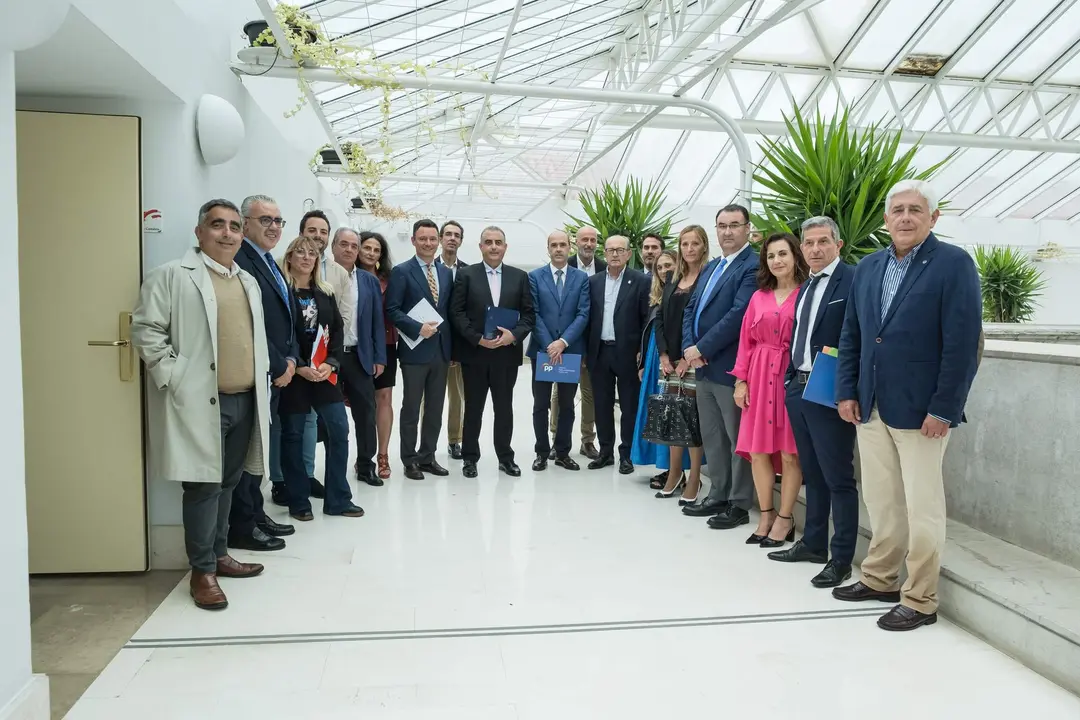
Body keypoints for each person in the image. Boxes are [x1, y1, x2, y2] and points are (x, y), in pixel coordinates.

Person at [833, 180, 982, 632]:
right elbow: (853, 335)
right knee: (881, 500)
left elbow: (963, 344)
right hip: (871, 407)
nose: (905, 217)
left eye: (915, 210)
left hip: (923, 413)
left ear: (932, 218)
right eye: (897, 210)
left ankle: (920, 598)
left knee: (923, 506)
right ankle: (879, 578)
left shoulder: (953, 264)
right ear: (885, 218)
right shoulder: (870, 267)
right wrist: (847, 390)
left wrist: (944, 408)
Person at [132, 199, 270, 610]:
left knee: (229, 483)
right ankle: (202, 571)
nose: (227, 233)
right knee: (202, 487)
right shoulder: (173, 276)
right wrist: (174, 376)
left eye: (233, 226)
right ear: (200, 232)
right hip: (202, 401)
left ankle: (221, 554)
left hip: (244, 399)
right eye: (217, 225)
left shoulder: (247, 281)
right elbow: (145, 329)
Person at [767, 217, 858, 590]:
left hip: (830, 391)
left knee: (838, 478)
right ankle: (814, 544)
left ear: (838, 245)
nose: (816, 248)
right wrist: (791, 378)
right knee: (813, 473)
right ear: (802, 248)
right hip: (799, 387)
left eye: (823, 241)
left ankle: (841, 560)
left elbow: (857, 338)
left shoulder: (851, 281)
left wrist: (845, 390)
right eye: (809, 243)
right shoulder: (806, 287)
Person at [277, 236, 367, 521]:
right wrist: (299, 366)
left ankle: (338, 498)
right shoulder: (281, 292)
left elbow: (337, 332)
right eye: (300, 252)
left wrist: (331, 363)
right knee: (293, 436)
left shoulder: (325, 292)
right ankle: (299, 501)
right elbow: (276, 335)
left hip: (324, 374)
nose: (306, 257)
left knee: (339, 431)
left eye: (312, 253)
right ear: (289, 257)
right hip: (294, 375)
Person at [680, 204, 757, 529]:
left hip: (729, 368)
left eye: (734, 225)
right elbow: (691, 308)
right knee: (713, 436)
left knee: (737, 438)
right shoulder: (712, 267)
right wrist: (689, 347)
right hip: (703, 367)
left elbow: (738, 315)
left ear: (747, 228)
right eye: (722, 225)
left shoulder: (752, 266)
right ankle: (718, 494)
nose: (727, 231)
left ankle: (739, 503)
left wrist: (702, 347)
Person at [731, 233, 809, 548]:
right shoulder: (758, 297)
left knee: (791, 452)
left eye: (782, 254)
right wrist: (741, 380)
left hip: (789, 377)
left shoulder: (806, 294)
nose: (776, 261)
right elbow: (745, 343)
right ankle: (766, 513)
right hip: (760, 375)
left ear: (795, 256)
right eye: (771, 255)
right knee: (759, 450)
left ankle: (786, 518)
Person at [229, 194, 296, 550]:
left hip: (276, 370)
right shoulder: (240, 260)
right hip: (259, 371)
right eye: (266, 220)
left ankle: (255, 513)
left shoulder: (268, 261)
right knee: (248, 451)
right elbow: (249, 324)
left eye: (278, 221)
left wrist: (292, 359)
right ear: (246, 224)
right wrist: (279, 363)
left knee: (259, 448)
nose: (274, 227)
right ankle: (242, 525)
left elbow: (285, 319)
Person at [449, 226, 535, 477]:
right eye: (489, 242)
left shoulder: (520, 277)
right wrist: (477, 339)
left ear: (505, 247)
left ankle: (505, 457)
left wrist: (514, 335)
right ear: (480, 247)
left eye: (498, 242)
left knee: (504, 408)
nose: (494, 246)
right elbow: (457, 312)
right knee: (473, 407)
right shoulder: (466, 275)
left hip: (506, 355)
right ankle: (470, 458)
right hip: (475, 354)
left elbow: (529, 314)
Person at [385, 219, 454, 480]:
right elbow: (392, 310)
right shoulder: (402, 271)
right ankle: (409, 459)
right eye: (422, 238)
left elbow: (447, 311)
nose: (428, 243)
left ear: (438, 241)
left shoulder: (446, 272)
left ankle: (428, 457)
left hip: (441, 351)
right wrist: (417, 328)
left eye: (432, 239)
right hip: (415, 350)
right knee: (412, 408)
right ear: (413, 241)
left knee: (435, 408)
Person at [586, 235, 650, 474]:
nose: (614, 254)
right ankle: (605, 452)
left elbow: (646, 320)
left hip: (627, 353)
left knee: (628, 406)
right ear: (604, 252)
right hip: (599, 351)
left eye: (619, 250)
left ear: (628, 254)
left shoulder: (641, 281)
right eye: (610, 250)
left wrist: (641, 353)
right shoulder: (593, 282)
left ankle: (627, 454)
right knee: (601, 405)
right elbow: (587, 318)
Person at [527, 230, 590, 472]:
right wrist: (550, 344)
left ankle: (562, 452)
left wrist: (562, 342)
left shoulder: (581, 278)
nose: (558, 249)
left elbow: (583, 313)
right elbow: (534, 313)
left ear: (570, 247)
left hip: (570, 350)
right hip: (543, 351)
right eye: (554, 245)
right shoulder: (534, 277)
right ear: (548, 248)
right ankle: (542, 452)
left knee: (567, 405)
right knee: (540, 404)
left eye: (563, 244)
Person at [630, 250, 691, 497]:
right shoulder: (656, 295)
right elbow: (649, 331)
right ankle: (667, 468)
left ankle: (678, 470)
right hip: (656, 357)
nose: (665, 271)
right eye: (660, 267)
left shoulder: (683, 291)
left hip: (672, 357)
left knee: (674, 412)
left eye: (669, 265)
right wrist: (644, 362)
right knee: (658, 412)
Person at [326, 227, 384, 487]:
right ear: (333, 246)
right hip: (329, 359)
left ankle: (365, 465)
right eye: (343, 244)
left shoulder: (368, 280)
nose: (349, 250)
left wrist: (379, 357)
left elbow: (376, 323)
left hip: (360, 356)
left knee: (366, 413)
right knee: (331, 416)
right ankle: (332, 470)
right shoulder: (321, 274)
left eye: (353, 245)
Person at [562, 225, 605, 460]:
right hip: (565, 343)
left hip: (592, 344)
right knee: (560, 394)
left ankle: (588, 441)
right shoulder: (563, 265)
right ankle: (556, 438)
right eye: (584, 239)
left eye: (592, 240)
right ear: (575, 242)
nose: (588, 244)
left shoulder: (605, 268)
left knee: (590, 394)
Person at [358, 231, 397, 483]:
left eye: (376, 249)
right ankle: (364, 456)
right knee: (362, 404)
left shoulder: (389, 279)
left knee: (384, 397)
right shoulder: (347, 276)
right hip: (358, 346)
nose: (371, 253)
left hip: (386, 344)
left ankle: (383, 455)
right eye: (367, 248)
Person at [436, 221, 468, 460]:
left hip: (460, 346)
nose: (452, 238)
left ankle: (455, 440)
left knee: (457, 396)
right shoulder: (428, 268)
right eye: (448, 234)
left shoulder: (467, 271)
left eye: (456, 235)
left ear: (461, 241)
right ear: (440, 238)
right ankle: (426, 444)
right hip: (432, 344)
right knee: (430, 397)